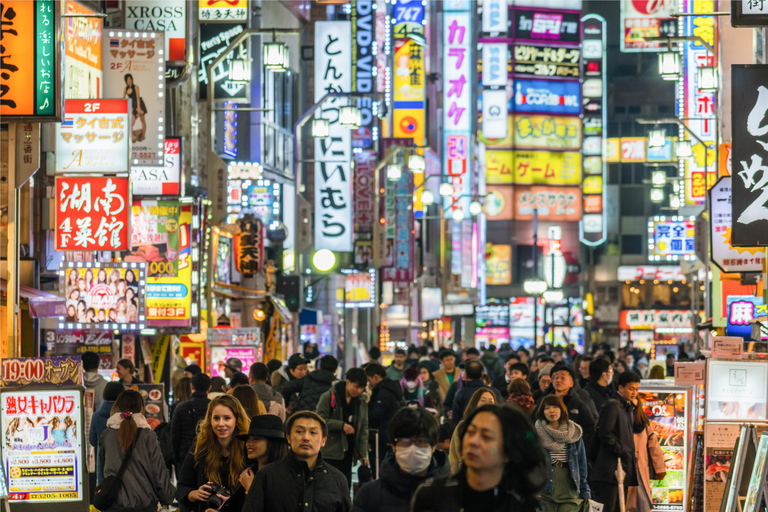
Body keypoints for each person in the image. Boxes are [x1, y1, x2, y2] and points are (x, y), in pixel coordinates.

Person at [411, 405, 547, 512]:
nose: (473, 441)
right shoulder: (432, 494)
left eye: (486, 437)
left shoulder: (523, 505)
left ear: (508, 452)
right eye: (470, 432)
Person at [242, 411, 351, 512]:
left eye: (313, 432)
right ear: (288, 438)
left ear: (323, 440)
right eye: (299, 431)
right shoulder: (266, 476)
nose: (306, 437)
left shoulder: (338, 479)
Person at [352, 408, 450, 512]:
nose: (413, 448)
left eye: (421, 441)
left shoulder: (451, 494)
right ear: (393, 446)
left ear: (433, 446)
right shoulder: (370, 495)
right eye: (405, 441)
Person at [99, 390, 175, 511]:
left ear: (118, 406)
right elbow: (158, 470)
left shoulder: (107, 435)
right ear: (141, 407)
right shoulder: (148, 435)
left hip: (114, 504)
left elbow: (104, 468)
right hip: (145, 505)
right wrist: (167, 496)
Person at [176, 394, 250, 512]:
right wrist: (193, 494)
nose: (221, 424)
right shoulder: (200, 450)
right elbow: (181, 488)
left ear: (237, 420)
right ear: (210, 420)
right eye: (216, 418)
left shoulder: (247, 450)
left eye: (227, 418)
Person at [592, 371, 641, 512]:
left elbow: (638, 426)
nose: (634, 393)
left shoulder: (625, 406)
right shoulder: (613, 406)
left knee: (619, 507)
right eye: (631, 389)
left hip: (620, 469)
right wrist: (621, 450)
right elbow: (605, 433)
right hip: (610, 470)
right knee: (609, 507)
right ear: (620, 388)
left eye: (637, 389)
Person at [534, 395, 590, 512]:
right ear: (542, 411)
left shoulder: (574, 433)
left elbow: (582, 464)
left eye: (555, 407)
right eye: (547, 408)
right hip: (545, 490)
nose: (551, 411)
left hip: (570, 489)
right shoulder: (536, 434)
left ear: (562, 409)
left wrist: (585, 491)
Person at [317, 367, 369, 488]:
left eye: (361, 388)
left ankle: (345, 507)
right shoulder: (329, 397)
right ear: (348, 381)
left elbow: (363, 429)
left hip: (348, 451)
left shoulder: (361, 401)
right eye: (356, 386)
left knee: (345, 486)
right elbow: (319, 420)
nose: (358, 390)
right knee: (329, 486)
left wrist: (362, 454)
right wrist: (341, 425)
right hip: (330, 452)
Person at [627, 397, 666, 512]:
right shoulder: (620, 422)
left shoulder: (644, 424)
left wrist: (660, 469)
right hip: (625, 469)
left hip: (640, 469)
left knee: (642, 503)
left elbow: (654, 446)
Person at [538, 364, 597, 439]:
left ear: (571, 383)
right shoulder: (544, 401)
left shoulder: (578, 404)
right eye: (556, 377)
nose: (558, 380)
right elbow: (534, 421)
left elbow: (590, 428)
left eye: (562, 378)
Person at [170, 373, 211, 480]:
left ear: (191, 386)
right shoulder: (213, 406)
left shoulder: (181, 407)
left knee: (185, 486)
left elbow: (175, 435)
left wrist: (176, 458)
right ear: (209, 388)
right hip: (208, 452)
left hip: (185, 453)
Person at [449, 388, 497, 473]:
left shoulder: (498, 428)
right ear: (475, 404)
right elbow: (454, 455)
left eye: (490, 401)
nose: (487, 403)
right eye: (483, 400)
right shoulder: (463, 426)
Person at [365, 363, 405, 465]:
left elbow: (376, 415)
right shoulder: (390, 388)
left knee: (379, 466)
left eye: (369, 380)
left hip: (381, 435)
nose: (369, 384)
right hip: (389, 433)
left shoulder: (383, 392)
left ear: (375, 377)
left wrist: (366, 410)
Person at [237, 415, 289, 493]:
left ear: (272, 443)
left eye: (256, 439)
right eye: (248, 439)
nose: (248, 444)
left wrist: (250, 489)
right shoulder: (248, 472)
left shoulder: (284, 476)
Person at [90, 382, 124, 486]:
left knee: (106, 492)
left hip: (104, 462)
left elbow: (93, 441)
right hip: (123, 460)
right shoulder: (126, 416)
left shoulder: (96, 416)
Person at [449, 360, 501, 424]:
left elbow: (455, 420)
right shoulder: (494, 391)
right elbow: (501, 414)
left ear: (466, 375)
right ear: (482, 374)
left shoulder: (461, 393)